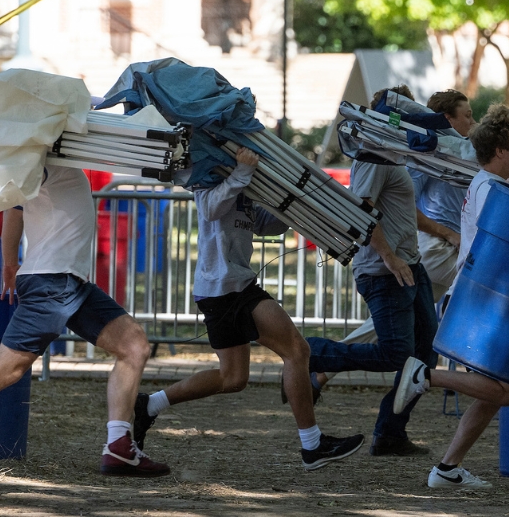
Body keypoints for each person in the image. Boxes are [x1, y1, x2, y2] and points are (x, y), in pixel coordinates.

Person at [307, 91, 509, 397]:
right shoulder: (413, 158)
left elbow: (506, 163)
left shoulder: (458, 158)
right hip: (433, 252)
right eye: (466, 115)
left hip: (422, 256)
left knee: (416, 343)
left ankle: (395, 420)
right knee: (402, 342)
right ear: (448, 120)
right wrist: (443, 235)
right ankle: (316, 360)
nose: (471, 120)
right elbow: (393, 208)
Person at [133, 147, 364, 471]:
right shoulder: (209, 177)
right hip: (229, 286)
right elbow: (211, 208)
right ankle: (312, 446)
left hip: (223, 288)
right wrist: (242, 172)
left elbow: (264, 225)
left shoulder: (240, 183)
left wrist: (291, 201)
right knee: (297, 351)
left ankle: (149, 405)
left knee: (233, 378)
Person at [0, 166, 169, 477]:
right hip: (51, 281)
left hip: (71, 282)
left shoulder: (53, 159)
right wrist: (11, 264)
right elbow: (14, 212)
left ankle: (119, 447)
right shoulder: (42, 157)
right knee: (5, 369)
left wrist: (12, 264)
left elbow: (15, 212)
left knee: (134, 347)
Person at [285, 85, 439, 457]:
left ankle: (390, 432)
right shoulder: (373, 154)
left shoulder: (393, 152)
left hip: (409, 266)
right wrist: (389, 256)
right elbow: (362, 212)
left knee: (425, 354)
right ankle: (311, 354)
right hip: (385, 271)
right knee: (396, 357)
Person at [393, 104, 509, 489]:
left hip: (478, 301)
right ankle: (426, 375)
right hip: (479, 302)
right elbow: (497, 248)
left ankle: (448, 469)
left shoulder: (490, 185)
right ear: (500, 151)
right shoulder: (492, 191)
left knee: (499, 392)